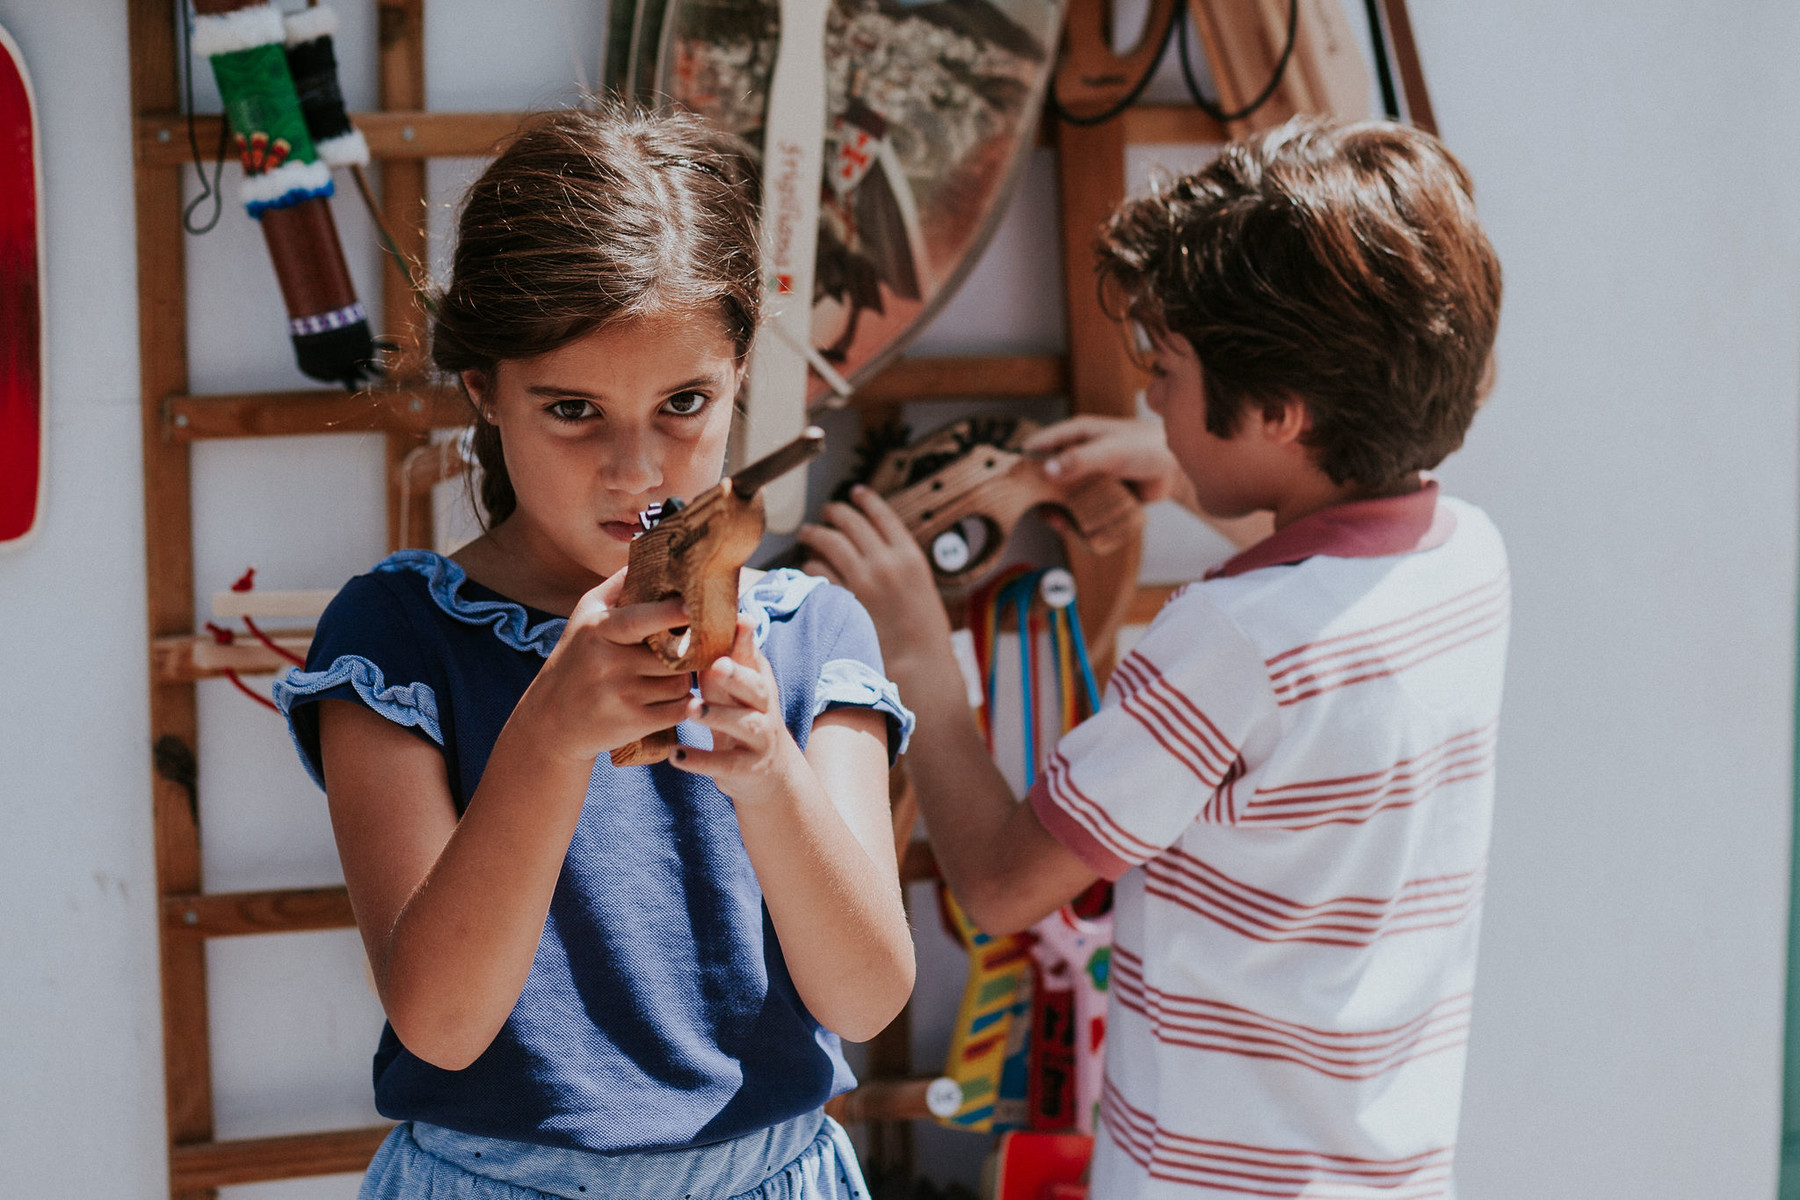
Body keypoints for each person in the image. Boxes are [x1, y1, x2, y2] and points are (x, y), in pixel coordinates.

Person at [799, 117, 1507, 1198]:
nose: (1149, 401)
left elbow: (997, 886)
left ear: (1280, 415)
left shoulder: (1224, 643)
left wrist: (918, 658)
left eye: (1167, 374)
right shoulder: (1466, 558)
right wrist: (1180, 474)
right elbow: (1323, 607)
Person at [273, 105, 915, 1200]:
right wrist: (552, 734)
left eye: (684, 404)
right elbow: (441, 1021)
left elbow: (864, 1000)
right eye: (572, 409)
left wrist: (767, 773)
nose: (636, 468)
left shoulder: (811, 637)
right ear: (484, 388)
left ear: (742, 373)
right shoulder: (397, 638)